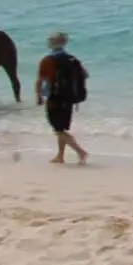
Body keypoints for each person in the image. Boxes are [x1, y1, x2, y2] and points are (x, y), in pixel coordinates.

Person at [36, 32, 89, 165]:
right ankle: (60, 156)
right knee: (62, 129)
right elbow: (85, 75)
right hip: (69, 98)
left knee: (58, 130)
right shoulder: (72, 59)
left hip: (54, 98)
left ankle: (81, 152)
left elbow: (40, 80)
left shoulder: (47, 60)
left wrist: (39, 96)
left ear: (52, 43)